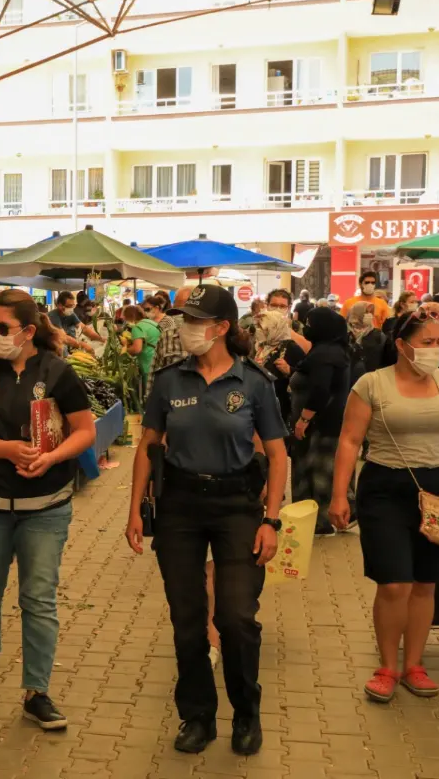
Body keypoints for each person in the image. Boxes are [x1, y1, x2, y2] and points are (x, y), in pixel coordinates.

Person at [126, 285, 287, 757]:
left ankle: (246, 713)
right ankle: (196, 716)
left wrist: (271, 520)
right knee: (188, 619)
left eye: (195, 321)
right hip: (179, 505)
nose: (184, 328)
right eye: (183, 319)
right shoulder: (169, 380)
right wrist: (135, 509)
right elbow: (148, 445)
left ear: (221, 328)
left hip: (238, 505)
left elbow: (278, 455)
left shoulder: (253, 382)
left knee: (236, 617)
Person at [0, 288, 96, 730]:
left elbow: (84, 431)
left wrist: (52, 457)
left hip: (46, 507)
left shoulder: (58, 373)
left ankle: (37, 690)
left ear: (29, 331)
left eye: (1, 328)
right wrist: (8, 449)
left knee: (38, 597)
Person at [330, 307, 439, 703]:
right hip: (385, 488)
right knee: (394, 582)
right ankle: (387, 666)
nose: (434, 350)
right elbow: (350, 441)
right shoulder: (371, 384)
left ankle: (414, 665)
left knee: (425, 583)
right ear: (402, 345)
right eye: (426, 343)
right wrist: (338, 494)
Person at [290, 308, 353, 534]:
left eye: (310, 323)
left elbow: (320, 389)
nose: (307, 327)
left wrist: (304, 419)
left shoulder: (325, 353)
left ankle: (320, 520)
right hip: (326, 424)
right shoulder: (331, 350)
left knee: (317, 473)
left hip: (320, 427)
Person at [254, 309, 304, 424]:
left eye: (263, 328)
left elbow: (308, 375)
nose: (259, 331)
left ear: (275, 328)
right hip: (258, 404)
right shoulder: (261, 346)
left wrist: (290, 370)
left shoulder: (291, 348)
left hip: (279, 408)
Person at [150, 287, 191, 379]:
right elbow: (154, 373)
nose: (183, 318)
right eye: (180, 313)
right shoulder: (167, 336)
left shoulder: (213, 340)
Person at [347, 301, 387, 385]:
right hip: (350, 382)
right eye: (366, 312)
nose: (369, 315)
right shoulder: (347, 335)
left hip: (373, 381)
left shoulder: (378, 335)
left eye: (371, 312)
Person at [122, 304, 159, 390]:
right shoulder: (151, 323)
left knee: (149, 392)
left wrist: (125, 349)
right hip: (159, 361)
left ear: (130, 316)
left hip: (148, 363)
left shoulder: (137, 327)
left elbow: (137, 349)